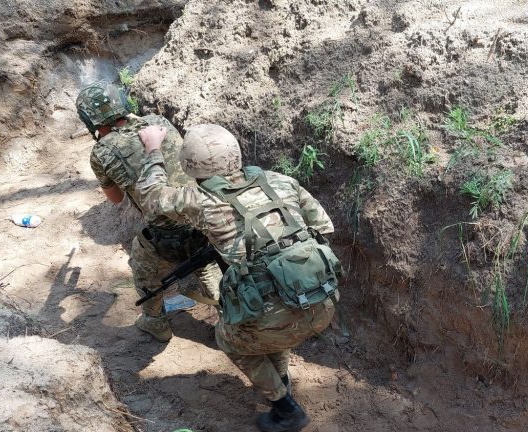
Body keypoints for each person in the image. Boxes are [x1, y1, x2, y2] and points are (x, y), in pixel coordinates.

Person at [135, 123, 339, 432]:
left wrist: (153, 149)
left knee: (230, 339)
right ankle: (281, 377)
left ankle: (285, 408)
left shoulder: (197, 197)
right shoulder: (281, 181)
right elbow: (324, 228)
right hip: (320, 299)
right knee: (268, 313)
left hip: (275, 318)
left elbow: (151, 197)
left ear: (189, 163)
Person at [76, 82, 221, 342]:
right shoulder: (157, 121)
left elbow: (116, 198)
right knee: (207, 264)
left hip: (166, 232)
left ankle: (155, 322)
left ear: (90, 120)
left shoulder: (101, 151)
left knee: (142, 264)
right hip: (203, 215)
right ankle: (230, 315)